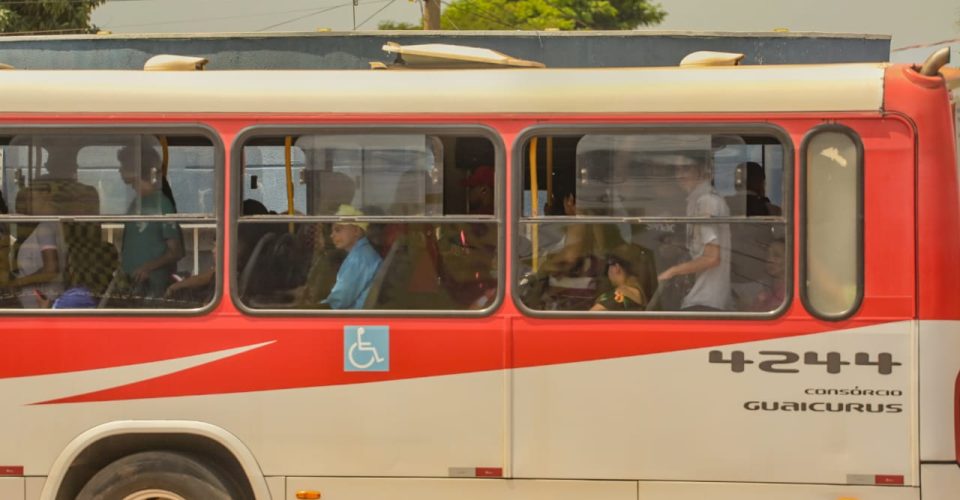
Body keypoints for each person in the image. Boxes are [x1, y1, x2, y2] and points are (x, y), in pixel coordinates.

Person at [657, 154, 731, 311]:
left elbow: (712, 258)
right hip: (698, 297)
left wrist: (673, 271)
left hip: (706, 299)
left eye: (686, 169)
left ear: (702, 170)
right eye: (677, 170)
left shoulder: (707, 202)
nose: (680, 175)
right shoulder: (696, 200)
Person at [118, 145, 184, 300]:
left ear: (137, 168)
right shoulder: (135, 203)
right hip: (131, 286)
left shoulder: (162, 204)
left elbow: (176, 251)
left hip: (152, 289)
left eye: (124, 165)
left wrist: (148, 267)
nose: (119, 170)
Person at [11, 186, 65, 308]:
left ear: (44, 195)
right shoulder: (53, 225)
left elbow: (51, 269)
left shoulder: (45, 228)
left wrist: (18, 283)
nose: (23, 207)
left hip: (39, 301)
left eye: (28, 200)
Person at [320, 204, 382, 309]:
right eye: (332, 231)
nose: (332, 235)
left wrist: (313, 307)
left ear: (356, 231)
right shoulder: (361, 253)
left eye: (338, 230)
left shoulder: (359, 258)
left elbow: (339, 301)